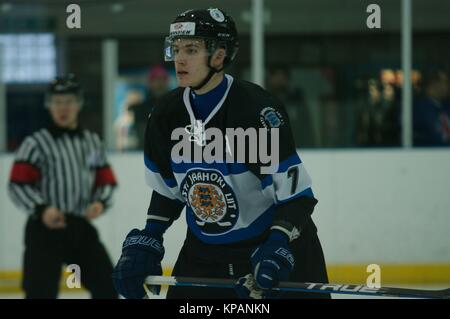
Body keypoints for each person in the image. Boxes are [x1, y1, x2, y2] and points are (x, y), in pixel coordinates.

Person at [112, 8, 329, 299]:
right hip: (205, 255)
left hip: (271, 249)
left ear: (219, 55)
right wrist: (151, 234)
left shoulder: (257, 111)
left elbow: (297, 197)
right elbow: (169, 191)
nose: (179, 59)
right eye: (176, 49)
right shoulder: (165, 115)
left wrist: (277, 243)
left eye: (191, 49)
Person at [8, 74, 118, 299]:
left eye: (68, 101)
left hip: (79, 227)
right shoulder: (35, 144)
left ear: (78, 103)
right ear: (49, 105)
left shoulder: (91, 142)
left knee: (108, 287)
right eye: (57, 102)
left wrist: (99, 202)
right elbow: (18, 185)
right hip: (44, 230)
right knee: (39, 293)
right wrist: (42, 209)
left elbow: (105, 180)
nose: (63, 108)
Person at [128, 65, 170, 149]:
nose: (160, 83)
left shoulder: (176, 105)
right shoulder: (140, 109)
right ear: (150, 82)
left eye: (162, 79)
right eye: (156, 80)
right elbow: (142, 136)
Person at [413, 69, 450, 146]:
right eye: (445, 82)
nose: (448, 86)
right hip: (431, 154)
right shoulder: (419, 109)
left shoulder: (446, 106)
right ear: (433, 84)